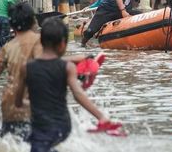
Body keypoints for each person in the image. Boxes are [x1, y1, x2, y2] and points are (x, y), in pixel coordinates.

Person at [0, 2, 89, 138]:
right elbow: (45, 64)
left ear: (11, 25)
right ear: (33, 22)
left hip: (9, 109)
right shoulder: (40, 41)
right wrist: (79, 59)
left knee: (13, 141)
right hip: (31, 109)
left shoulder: (7, 47)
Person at [15, 17, 112, 152]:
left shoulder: (26, 67)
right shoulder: (67, 67)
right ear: (62, 44)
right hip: (62, 126)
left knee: (30, 140)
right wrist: (101, 117)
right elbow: (78, 94)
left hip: (40, 127)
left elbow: (18, 102)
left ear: (41, 41)